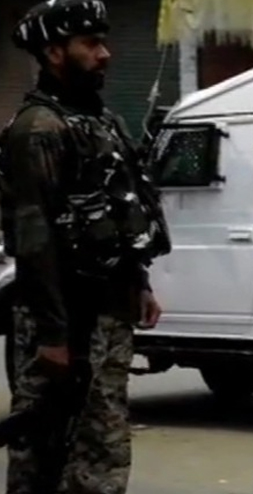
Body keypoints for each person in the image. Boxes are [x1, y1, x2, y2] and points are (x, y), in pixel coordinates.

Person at [0, 0, 172, 492]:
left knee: (101, 445)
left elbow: (121, 209)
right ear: (54, 52)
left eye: (104, 42)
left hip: (108, 311)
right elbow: (34, 239)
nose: (105, 54)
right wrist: (53, 335)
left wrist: (139, 282)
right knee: (48, 453)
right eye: (90, 44)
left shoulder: (102, 122)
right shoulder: (39, 129)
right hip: (66, 317)